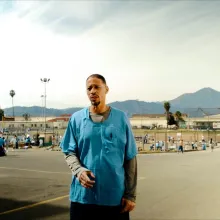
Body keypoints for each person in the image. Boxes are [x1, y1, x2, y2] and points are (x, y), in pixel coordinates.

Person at [60, 74, 137, 220]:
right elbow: (69, 151)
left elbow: (130, 158)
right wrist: (78, 170)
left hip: (114, 198)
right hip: (83, 198)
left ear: (106, 89)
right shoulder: (76, 119)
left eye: (97, 87)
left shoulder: (121, 118)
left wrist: (130, 195)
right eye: (89, 88)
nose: (92, 91)